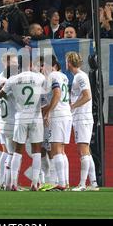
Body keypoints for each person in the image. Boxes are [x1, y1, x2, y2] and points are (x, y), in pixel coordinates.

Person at [0, 54, 46, 191]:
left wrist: (10, 93)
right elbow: (46, 91)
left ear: (18, 65)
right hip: (36, 117)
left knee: (17, 151)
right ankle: (35, 184)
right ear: (30, 64)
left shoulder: (13, 79)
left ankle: (13, 183)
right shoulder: (39, 77)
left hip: (20, 117)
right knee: (36, 151)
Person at [66, 51, 98, 191]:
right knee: (87, 151)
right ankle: (94, 183)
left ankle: (82, 184)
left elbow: (87, 96)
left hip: (82, 117)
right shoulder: (78, 76)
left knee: (83, 150)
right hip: (81, 117)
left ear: (69, 62)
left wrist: (72, 106)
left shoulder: (80, 76)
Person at [41, 55, 71, 191]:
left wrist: (48, 111)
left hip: (58, 115)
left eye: (43, 65)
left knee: (56, 149)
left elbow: (57, 94)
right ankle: (65, 181)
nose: (42, 68)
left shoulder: (52, 76)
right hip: (66, 113)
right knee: (62, 150)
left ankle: (62, 184)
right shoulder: (63, 76)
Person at [0, 52, 18, 190]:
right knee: (10, 152)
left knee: (6, 151)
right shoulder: (4, 79)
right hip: (8, 118)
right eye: (13, 63)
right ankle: (8, 183)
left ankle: (2, 181)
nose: (15, 66)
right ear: (5, 63)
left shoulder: (5, 78)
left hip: (3, 116)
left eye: (16, 63)